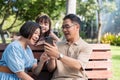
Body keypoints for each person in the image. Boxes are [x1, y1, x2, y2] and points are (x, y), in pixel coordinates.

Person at [44, 14, 92, 80]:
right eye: (63, 27)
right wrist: (52, 58)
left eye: (67, 27)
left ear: (77, 27)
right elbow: (50, 69)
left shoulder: (86, 46)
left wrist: (58, 55)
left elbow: (78, 65)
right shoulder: (57, 45)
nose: (64, 30)